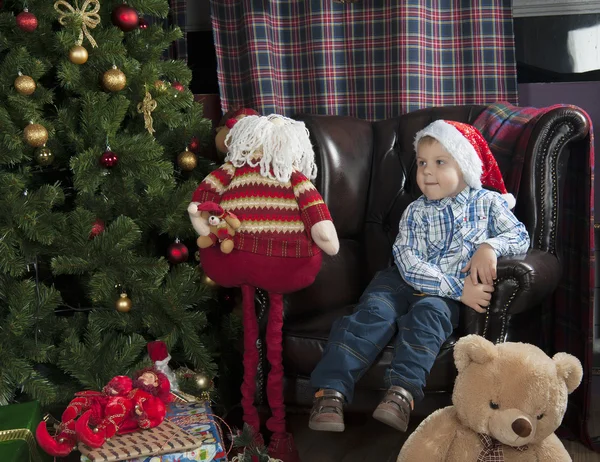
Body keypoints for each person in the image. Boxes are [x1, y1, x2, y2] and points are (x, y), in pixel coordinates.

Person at [308, 119, 530, 433]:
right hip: (399, 281)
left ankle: (401, 394)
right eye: (422, 163)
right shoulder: (416, 211)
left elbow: (520, 237)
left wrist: (490, 247)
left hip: (439, 298)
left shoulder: (488, 204)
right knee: (374, 313)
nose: (426, 171)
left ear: (465, 166)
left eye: (440, 162)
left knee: (430, 318)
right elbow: (407, 260)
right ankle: (330, 390)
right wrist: (458, 289)